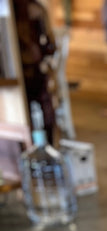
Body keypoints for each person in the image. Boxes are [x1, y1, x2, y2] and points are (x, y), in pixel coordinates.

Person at [13, 0, 57, 144]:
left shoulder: (34, 9)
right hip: (26, 69)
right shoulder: (35, 8)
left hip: (29, 70)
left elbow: (49, 45)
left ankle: (44, 144)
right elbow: (50, 45)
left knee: (43, 102)